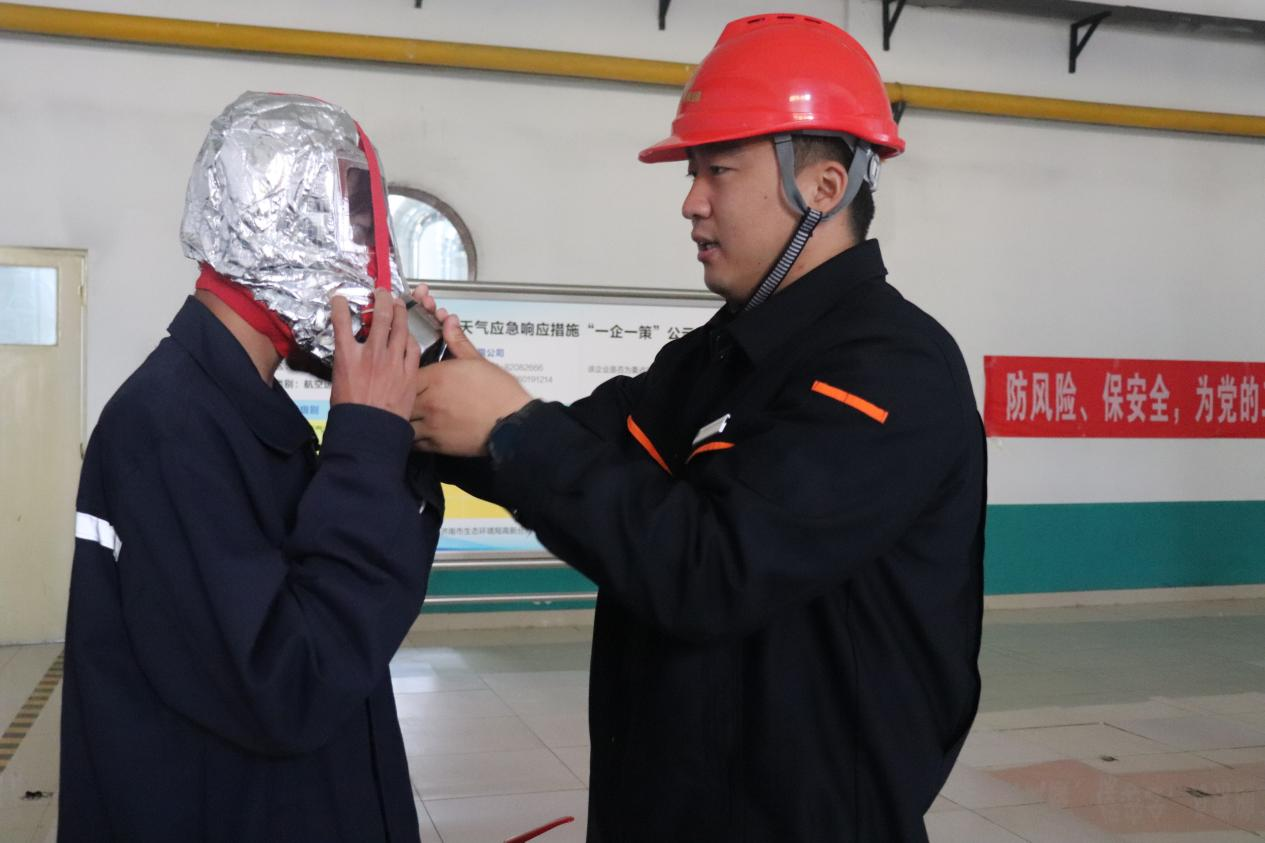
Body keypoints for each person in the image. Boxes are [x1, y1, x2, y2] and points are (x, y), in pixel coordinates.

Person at [410, 14, 985, 841]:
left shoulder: (889, 370)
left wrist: (510, 429)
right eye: (692, 171)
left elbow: (712, 569)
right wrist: (441, 384)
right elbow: (579, 453)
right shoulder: (712, 358)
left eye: (719, 169)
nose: (690, 202)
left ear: (824, 188)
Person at [60, 92, 442, 842]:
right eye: (361, 232)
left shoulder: (242, 410)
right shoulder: (170, 426)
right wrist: (367, 444)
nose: (380, 273)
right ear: (286, 228)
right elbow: (290, 683)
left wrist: (408, 430)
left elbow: (343, 620)